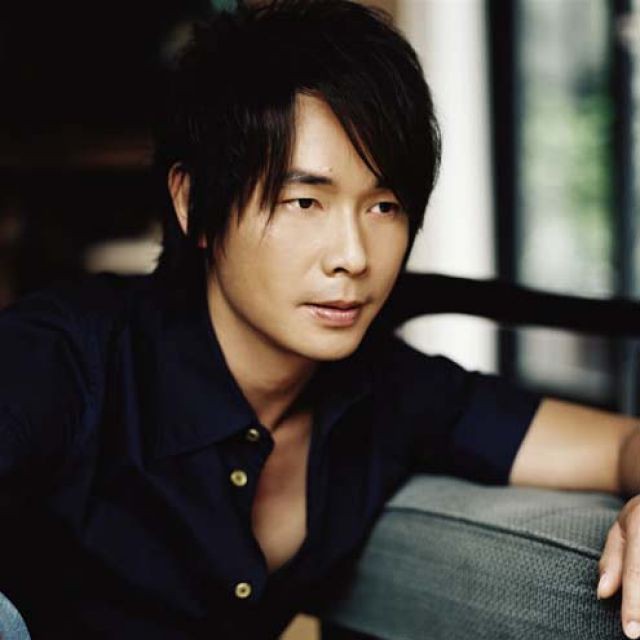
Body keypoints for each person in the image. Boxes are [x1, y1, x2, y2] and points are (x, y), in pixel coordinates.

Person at [1, 0, 639, 638]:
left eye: (384, 206)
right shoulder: (59, 361)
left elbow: (619, 447)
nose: (353, 256)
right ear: (193, 201)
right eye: (305, 201)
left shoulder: (387, 394)